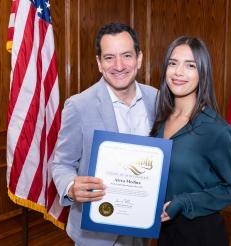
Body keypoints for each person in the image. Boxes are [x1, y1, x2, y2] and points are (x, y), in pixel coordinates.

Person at [51, 22, 157, 246]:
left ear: (139, 58)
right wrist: (71, 187)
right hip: (95, 236)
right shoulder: (78, 106)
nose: (119, 65)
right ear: (99, 63)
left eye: (126, 55)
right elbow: (61, 163)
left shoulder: (156, 100)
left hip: (142, 231)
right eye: (109, 57)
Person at [150, 36, 231, 246]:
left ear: (202, 72)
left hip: (200, 235)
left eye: (190, 65)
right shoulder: (160, 120)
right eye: (173, 63)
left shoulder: (216, 130)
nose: (178, 72)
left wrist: (184, 202)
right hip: (164, 232)